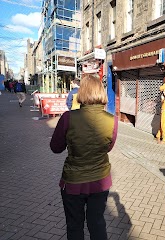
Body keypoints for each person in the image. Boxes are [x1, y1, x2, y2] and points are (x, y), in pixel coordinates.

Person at [50, 75, 118, 240]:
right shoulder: (112, 120)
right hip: (100, 181)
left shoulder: (68, 118)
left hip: (73, 182)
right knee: (97, 223)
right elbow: (108, 147)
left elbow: (56, 148)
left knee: (74, 226)